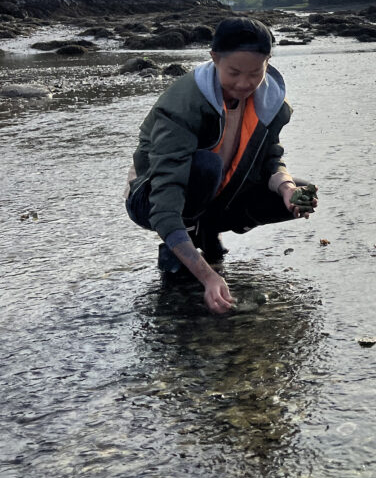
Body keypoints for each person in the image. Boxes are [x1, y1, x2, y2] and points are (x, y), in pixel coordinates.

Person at [125, 17, 316, 312]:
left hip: (219, 197)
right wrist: (208, 277)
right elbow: (164, 203)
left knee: (297, 192)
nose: (244, 84)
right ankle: (182, 246)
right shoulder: (182, 106)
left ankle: (208, 230)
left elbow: (270, 160)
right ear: (214, 58)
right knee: (207, 166)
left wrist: (288, 188)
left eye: (255, 73)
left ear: (268, 61)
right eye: (234, 73)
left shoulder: (271, 102)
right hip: (150, 199)